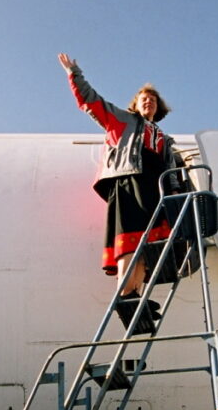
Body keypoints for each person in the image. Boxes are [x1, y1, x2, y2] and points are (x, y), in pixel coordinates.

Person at [58, 53, 183, 307]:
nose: (148, 101)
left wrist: (175, 199)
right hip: (130, 181)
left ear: (158, 108)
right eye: (144, 98)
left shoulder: (164, 139)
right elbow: (91, 101)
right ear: (135, 105)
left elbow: (170, 172)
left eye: (153, 100)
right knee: (130, 240)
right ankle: (125, 294)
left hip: (155, 187)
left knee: (149, 246)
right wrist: (74, 73)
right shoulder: (123, 121)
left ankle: (136, 294)